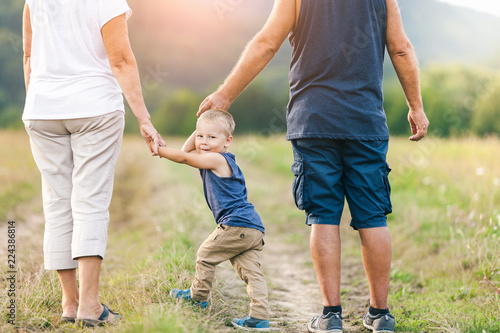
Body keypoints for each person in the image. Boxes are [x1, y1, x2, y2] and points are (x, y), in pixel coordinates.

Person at [197, 0, 429, 332]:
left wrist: (224, 95)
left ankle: (331, 316)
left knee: (323, 215)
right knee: (373, 216)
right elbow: (401, 49)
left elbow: (266, 43)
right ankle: (380, 316)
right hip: (365, 123)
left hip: (313, 121)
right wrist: (415, 107)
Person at [22, 0, 165, 327]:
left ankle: (70, 304)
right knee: (89, 202)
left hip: (42, 108)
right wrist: (144, 119)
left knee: (57, 203)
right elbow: (121, 59)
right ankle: (89, 306)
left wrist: (41, 101)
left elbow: (29, 56)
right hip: (95, 106)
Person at [151, 110, 271, 331]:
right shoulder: (215, 156)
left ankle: (198, 297)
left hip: (236, 224)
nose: (204, 142)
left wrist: (159, 150)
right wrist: (200, 130)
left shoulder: (216, 159)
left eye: (211, 137)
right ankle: (260, 317)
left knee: (205, 255)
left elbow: (184, 157)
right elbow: (186, 151)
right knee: (251, 272)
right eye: (200, 136)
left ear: (227, 142)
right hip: (251, 226)